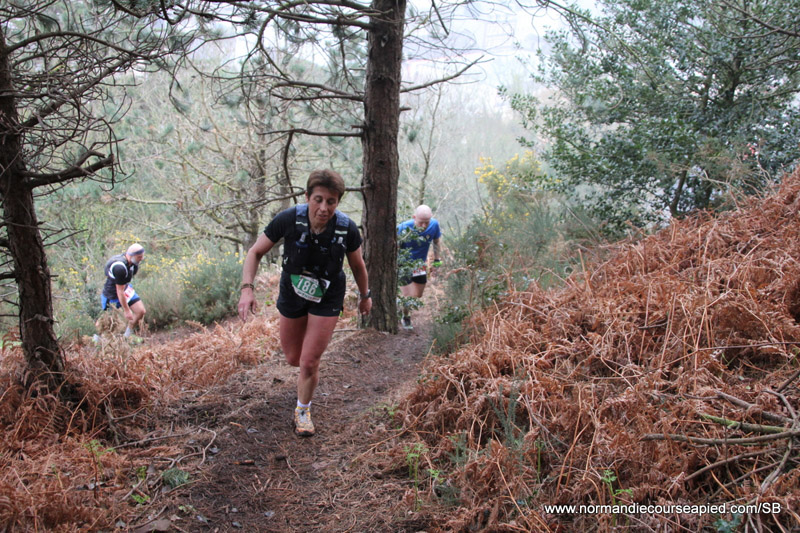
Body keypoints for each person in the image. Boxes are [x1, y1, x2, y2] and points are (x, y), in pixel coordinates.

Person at [238, 169, 372, 438]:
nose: (324, 208)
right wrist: (247, 289)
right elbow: (255, 251)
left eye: (331, 202)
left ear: (338, 202)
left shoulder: (346, 228)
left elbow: (357, 265)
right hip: (293, 291)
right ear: (307, 197)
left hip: (328, 294)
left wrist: (365, 295)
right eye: (318, 200)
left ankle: (303, 410)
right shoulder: (288, 219)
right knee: (293, 358)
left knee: (309, 361)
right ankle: (304, 382)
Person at [397, 204, 442, 330]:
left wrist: (437, 262)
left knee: (418, 295)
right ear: (414, 217)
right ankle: (406, 317)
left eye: (426, 222)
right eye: (421, 222)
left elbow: (436, 242)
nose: (423, 225)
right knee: (407, 296)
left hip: (419, 265)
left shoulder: (434, 225)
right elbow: (395, 248)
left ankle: (400, 305)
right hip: (403, 266)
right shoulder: (403, 227)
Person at [100, 243, 146, 338]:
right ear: (131, 255)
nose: (141, 259)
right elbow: (119, 291)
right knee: (107, 324)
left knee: (140, 311)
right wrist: (127, 310)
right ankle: (96, 341)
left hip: (125, 289)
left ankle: (127, 336)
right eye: (139, 257)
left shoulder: (134, 263)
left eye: (142, 256)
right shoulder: (119, 268)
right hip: (112, 295)